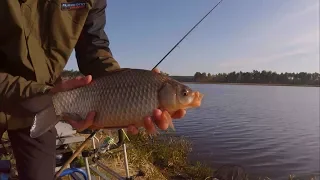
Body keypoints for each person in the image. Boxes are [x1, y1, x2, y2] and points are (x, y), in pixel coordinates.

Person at [0, 0, 186, 179]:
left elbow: (94, 48)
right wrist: (42, 95)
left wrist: (122, 90)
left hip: (45, 102)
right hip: (36, 95)